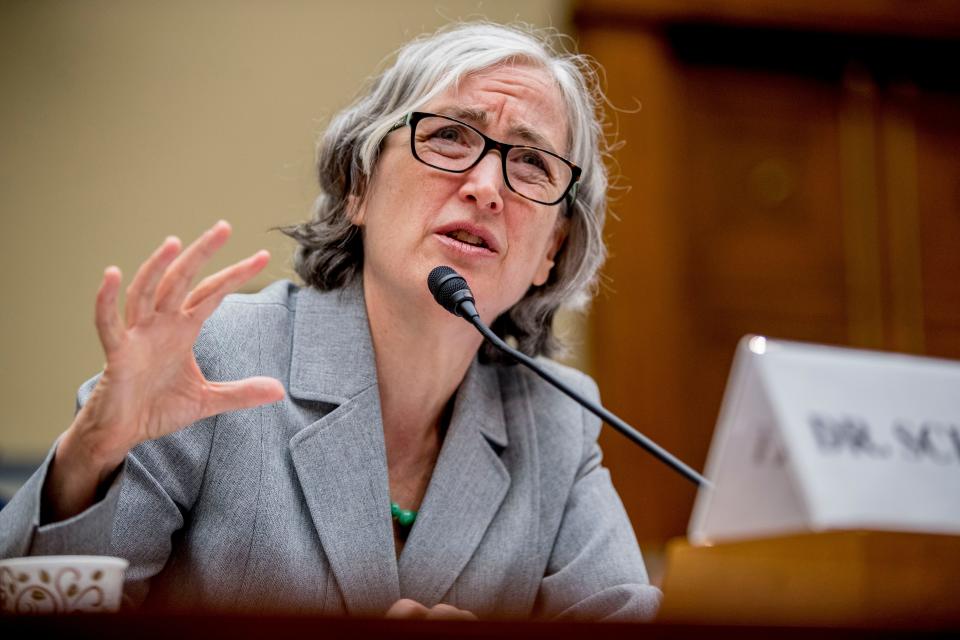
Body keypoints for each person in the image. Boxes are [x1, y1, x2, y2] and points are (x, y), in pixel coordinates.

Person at [0, 22, 660, 620]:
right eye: (450, 136)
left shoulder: (555, 422)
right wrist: (89, 457)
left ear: (551, 249)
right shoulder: (221, 356)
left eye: (531, 163)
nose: (487, 184)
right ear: (359, 186)